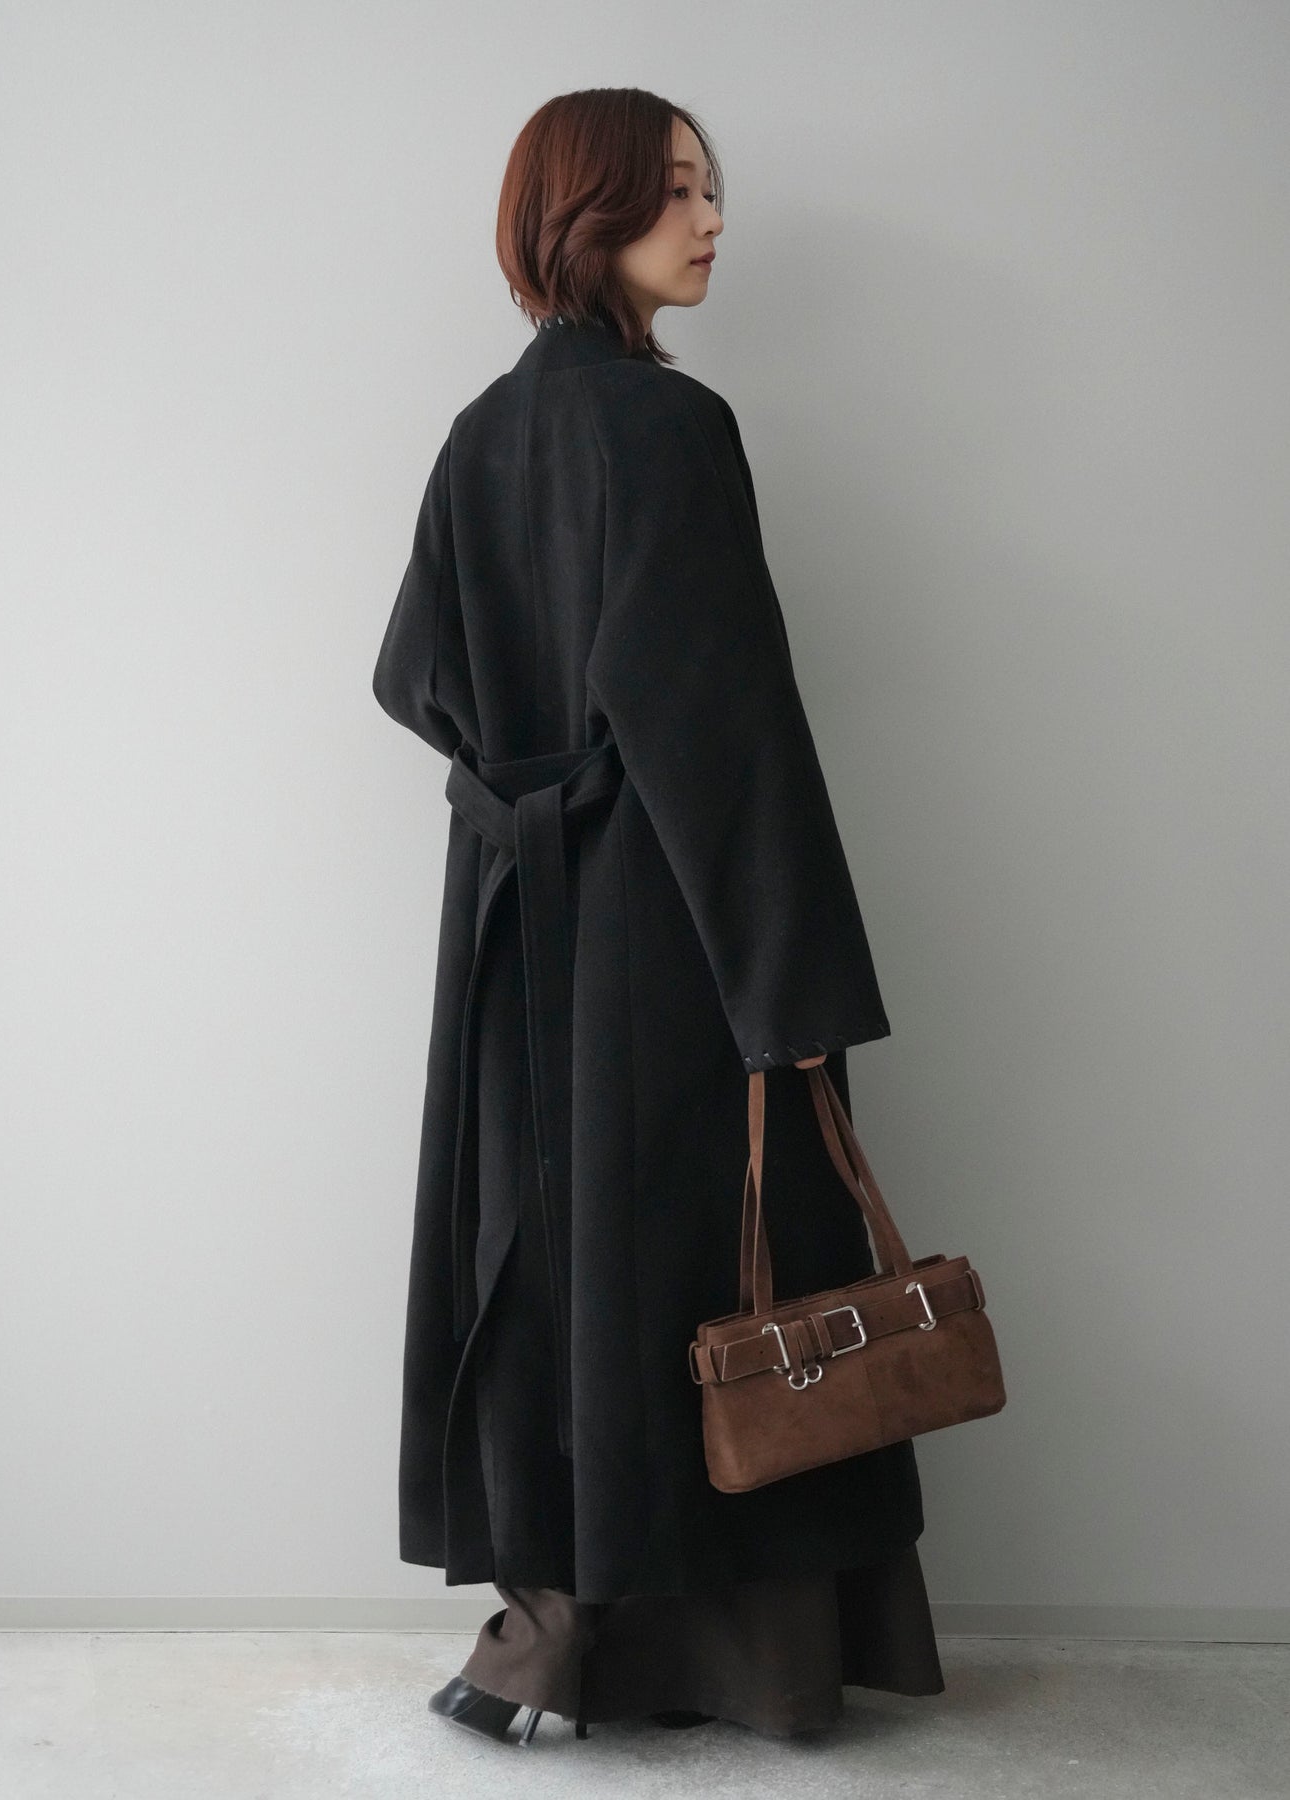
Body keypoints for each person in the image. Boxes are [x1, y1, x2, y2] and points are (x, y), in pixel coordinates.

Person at [371, 86, 945, 1743]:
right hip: (668, 920)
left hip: (513, 927)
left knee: (554, 1271)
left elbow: (410, 676)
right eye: (674, 189)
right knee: (712, 1276)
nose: (710, 219)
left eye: (709, 188)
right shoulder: (670, 426)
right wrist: (793, 989)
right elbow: (719, 723)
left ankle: (545, 1646)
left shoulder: (479, 433)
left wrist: (519, 793)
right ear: (586, 210)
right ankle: (749, 1664)